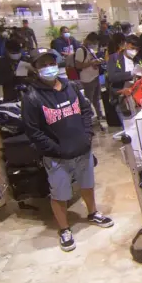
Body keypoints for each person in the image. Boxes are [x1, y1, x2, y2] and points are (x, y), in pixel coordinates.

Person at [22, 49, 114, 252]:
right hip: (57, 158)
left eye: (50, 63)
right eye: (42, 65)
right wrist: (55, 149)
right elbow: (33, 131)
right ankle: (64, 229)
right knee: (59, 194)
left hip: (82, 150)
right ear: (36, 70)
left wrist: (87, 135)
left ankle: (93, 213)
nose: (48, 68)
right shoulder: (32, 97)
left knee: (87, 185)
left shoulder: (70, 86)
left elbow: (86, 110)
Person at [107, 35, 142, 123]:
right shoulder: (114, 58)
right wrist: (131, 74)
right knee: (129, 127)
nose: (134, 51)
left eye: (137, 49)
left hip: (137, 98)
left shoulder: (138, 60)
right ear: (126, 45)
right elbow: (112, 77)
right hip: (121, 98)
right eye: (132, 48)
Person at [75, 32, 105, 131]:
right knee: (89, 100)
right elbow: (78, 65)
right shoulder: (80, 50)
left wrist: (97, 61)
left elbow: (92, 61)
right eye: (94, 42)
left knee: (97, 98)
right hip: (87, 79)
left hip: (95, 76)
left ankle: (99, 115)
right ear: (89, 40)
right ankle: (90, 118)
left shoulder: (90, 49)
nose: (95, 44)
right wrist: (91, 63)